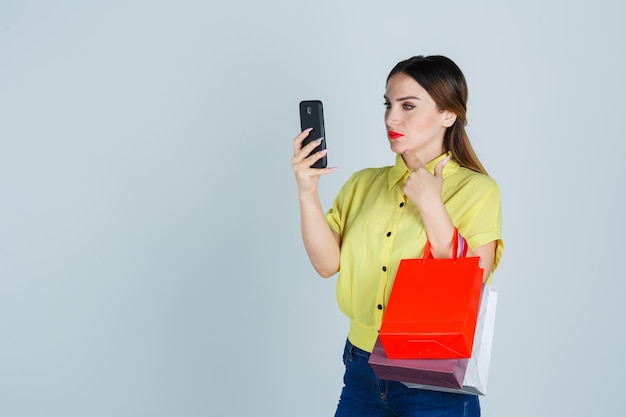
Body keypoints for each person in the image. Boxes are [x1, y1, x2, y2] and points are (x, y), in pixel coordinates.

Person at [290, 55, 503, 417]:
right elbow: (327, 265)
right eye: (388, 104)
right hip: (361, 368)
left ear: (448, 115)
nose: (392, 118)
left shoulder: (477, 190)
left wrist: (431, 203)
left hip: (433, 375)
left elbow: (471, 279)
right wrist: (307, 190)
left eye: (408, 106)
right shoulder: (363, 184)